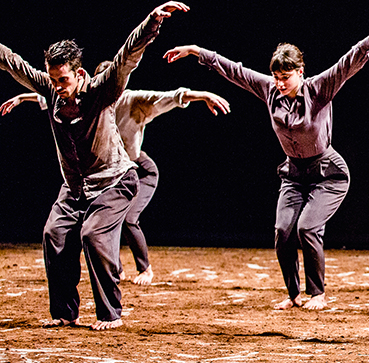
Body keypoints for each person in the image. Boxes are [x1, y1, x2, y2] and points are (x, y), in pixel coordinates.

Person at [164, 29, 369, 311]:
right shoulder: (270, 90)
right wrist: (196, 50)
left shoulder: (318, 89)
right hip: (294, 174)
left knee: (307, 228)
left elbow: (345, 65)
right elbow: (236, 72)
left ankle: (317, 293)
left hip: (328, 174)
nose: (279, 83)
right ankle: (294, 294)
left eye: (285, 77)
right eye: (276, 77)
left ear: (300, 72)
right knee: (283, 231)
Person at [0, 1, 190, 330]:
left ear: (79, 74)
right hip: (75, 188)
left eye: (62, 80)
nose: (57, 87)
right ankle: (65, 312)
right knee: (54, 234)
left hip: (115, 181)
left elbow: (126, 58)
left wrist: (151, 23)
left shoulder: (101, 90)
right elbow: (13, 63)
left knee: (92, 234)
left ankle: (110, 313)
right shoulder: (51, 90)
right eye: (52, 79)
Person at [2, 65, 231, 286]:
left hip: (138, 170)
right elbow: (51, 95)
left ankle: (145, 268)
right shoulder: (89, 100)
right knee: (100, 222)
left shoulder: (130, 99)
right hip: (106, 176)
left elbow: (170, 96)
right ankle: (116, 268)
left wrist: (203, 95)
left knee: (128, 218)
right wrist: (22, 98)